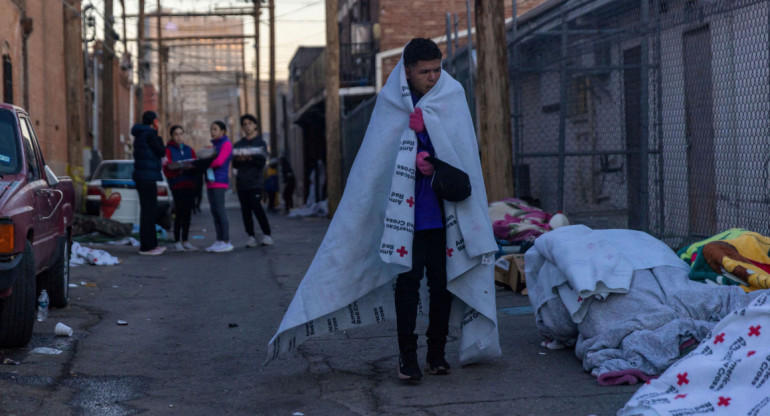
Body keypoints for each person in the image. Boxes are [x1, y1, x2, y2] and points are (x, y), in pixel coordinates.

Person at [267, 38, 500, 380]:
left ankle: (436, 354)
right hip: (405, 218)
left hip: (445, 215)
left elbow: (462, 153)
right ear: (407, 71)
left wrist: (430, 140)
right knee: (406, 284)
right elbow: (376, 164)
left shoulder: (452, 96)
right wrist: (415, 144)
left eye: (437, 70)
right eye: (425, 72)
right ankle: (408, 358)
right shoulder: (391, 103)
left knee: (442, 284)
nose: (433, 78)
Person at [232, 114, 273, 247]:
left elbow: (262, 162)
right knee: (245, 210)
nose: (247, 126)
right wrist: (240, 159)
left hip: (255, 182)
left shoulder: (260, 143)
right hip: (241, 182)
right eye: (244, 124)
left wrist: (250, 158)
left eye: (250, 123)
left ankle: (267, 234)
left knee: (257, 207)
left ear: (255, 125)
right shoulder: (239, 144)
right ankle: (250, 236)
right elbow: (234, 164)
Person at [131, 111, 166, 256]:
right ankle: (147, 246)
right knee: (149, 212)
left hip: (141, 177)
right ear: (154, 121)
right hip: (148, 177)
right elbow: (161, 151)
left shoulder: (139, 134)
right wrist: (159, 136)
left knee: (147, 211)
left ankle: (150, 244)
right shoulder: (150, 134)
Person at [163, 125, 198, 251]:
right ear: (172, 136)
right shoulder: (168, 150)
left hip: (189, 184)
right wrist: (178, 170)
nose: (179, 136)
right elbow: (167, 168)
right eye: (176, 134)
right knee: (179, 213)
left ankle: (186, 240)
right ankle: (177, 240)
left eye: (181, 134)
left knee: (188, 213)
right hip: (177, 185)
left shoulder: (189, 149)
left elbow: (196, 164)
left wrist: (191, 168)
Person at [204, 120, 234, 253]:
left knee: (220, 211)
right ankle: (219, 240)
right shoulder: (215, 145)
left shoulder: (226, 144)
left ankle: (226, 241)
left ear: (223, 131)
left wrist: (204, 164)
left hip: (219, 181)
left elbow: (219, 161)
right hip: (210, 181)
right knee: (214, 212)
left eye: (215, 129)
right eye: (211, 129)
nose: (212, 132)